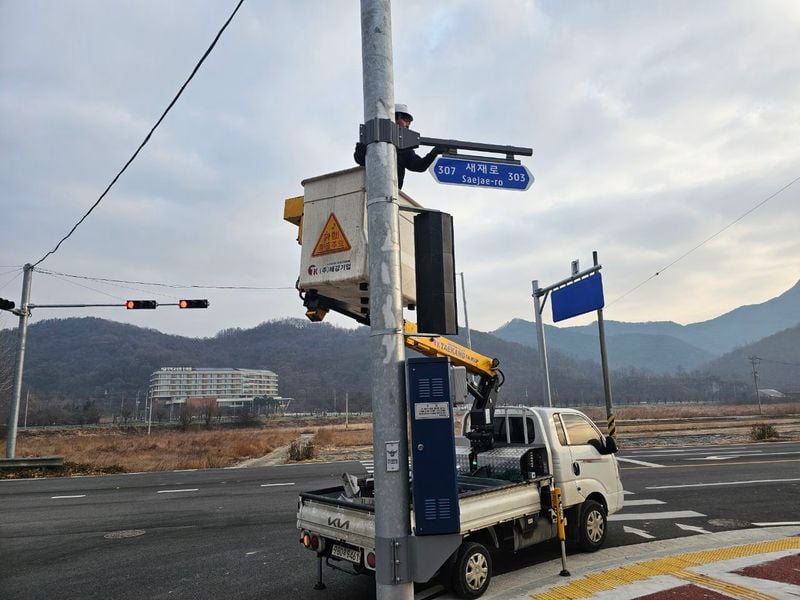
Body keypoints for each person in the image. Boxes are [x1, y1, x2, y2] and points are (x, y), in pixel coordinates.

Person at [353, 103, 443, 189]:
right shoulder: (372, 140)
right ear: (394, 119)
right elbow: (359, 159)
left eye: (409, 122)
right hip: (370, 191)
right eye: (405, 120)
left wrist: (434, 153)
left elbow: (419, 166)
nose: (408, 125)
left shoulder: (405, 150)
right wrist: (363, 147)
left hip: (393, 194)